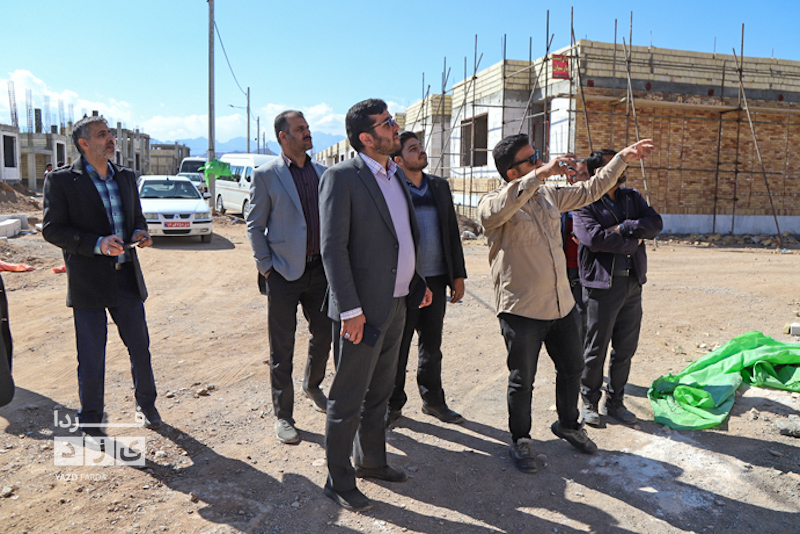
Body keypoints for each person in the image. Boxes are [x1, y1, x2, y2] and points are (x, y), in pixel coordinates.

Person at [478, 134, 654, 474]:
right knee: (522, 380)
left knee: (573, 369)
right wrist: (542, 172)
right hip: (521, 309)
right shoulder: (494, 203)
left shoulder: (548, 195)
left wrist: (622, 158)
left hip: (561, 305)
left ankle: (569, 424)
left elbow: (591, 190)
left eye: (538, 156)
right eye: (531, 160)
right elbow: (495, 211)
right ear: (512, 172)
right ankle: (521, 439)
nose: (539, 162)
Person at [319, 99, 431, 512]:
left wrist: (416, 282)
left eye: (392, 120)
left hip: (397, 303)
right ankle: (338, 480)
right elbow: (333, 248)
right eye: (387, 124)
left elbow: (402, 236)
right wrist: (350, 310)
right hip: (361, 313)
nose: (395, 127)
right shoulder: (341, 177)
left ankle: (370, 461)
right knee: (347, 397)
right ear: (366, 137)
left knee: (380, 392)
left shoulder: (395, 173)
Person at [42, 115, 158, 449]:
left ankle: (147, 405)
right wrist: (96, 244)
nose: (110, 139)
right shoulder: (62, 181)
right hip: (88, 281)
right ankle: (91, 418)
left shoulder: (126, 177)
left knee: (140, 347)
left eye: (109, 133)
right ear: (84, 143)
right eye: (102, 134)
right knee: (91, 355)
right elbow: (52, 229)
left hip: (125, 277)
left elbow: (136, 218)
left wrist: (140, 232)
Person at [246, 110, 331, 445]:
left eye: (307, 127)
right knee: (281, 346)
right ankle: (284, 416)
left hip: (320, 271)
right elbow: (254, 225)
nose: (307, 133)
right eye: (300, 129)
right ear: (283, 136)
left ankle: (312, 385)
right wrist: (266, 266)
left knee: (324, 334)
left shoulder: (324, 174)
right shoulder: (266, 175)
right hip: (282, 272)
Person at [572, 149, 663, 426]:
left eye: (622, 165)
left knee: (625, 348)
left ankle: (615, 401)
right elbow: (592, 239)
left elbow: (655, 224)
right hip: (601, 285)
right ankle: (589, 402)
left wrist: (622, 228)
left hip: (632, 282)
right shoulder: (584, 200)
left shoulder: (631, 197)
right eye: (616, 165)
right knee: (595, 348)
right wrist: (633, 240)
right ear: (599, 172)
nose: (622, 170)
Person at [386, 132, 467, 427]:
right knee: (398, 346)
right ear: (398, 159)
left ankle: (433, 401)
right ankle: (392, 405)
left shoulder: (438, 186)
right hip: (404, 282)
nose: (421, 151)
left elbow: (452, 232)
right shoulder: (391, 188)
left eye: (420, 146)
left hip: (436, 279)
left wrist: (457, 276)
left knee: (432, 346)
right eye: (413, 148)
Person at [562, 158, 590, 340]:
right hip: (565, 268)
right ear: (572, 178)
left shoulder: (597, 202)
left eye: (589, 174)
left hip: (587, 268)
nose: (588, 178)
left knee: (583, 315)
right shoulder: (561, 202)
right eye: (583, 174)